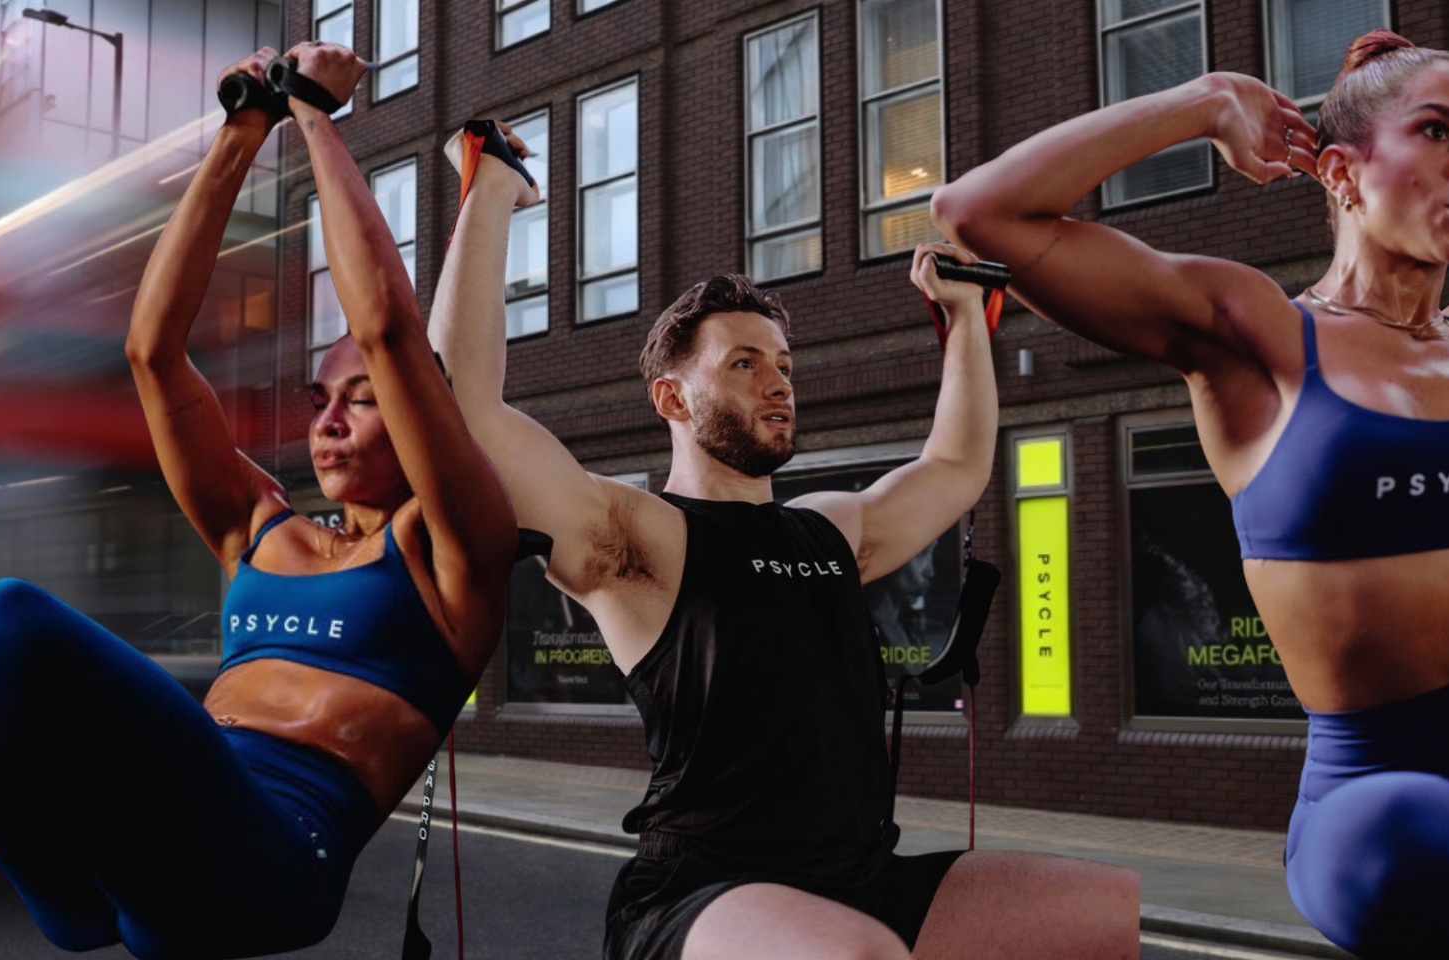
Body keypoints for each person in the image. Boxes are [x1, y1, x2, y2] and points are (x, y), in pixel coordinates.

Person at [0, 42, 517, 958]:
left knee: (16, 618)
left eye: (364, 400)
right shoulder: (261, 528)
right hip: (129, 861)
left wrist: (313, 112)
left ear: (421, 418)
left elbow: (386, 328)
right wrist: (242, 132)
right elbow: (152, 351)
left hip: (272, 867)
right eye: (319, 401)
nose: (329, 423)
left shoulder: (456, 548)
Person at [930, 28, 1449, 960]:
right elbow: (976, 212)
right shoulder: (1258, 335)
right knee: (1380, 861)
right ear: (1343, 172)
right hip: (1385, 780)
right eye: (1437, 131)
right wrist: (1200, 102)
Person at [428, 122, 1138, 959]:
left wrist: (967, 322)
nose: (778, 383)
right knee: (856, 956)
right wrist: (493, 186)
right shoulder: (634, 534)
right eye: (744, 364)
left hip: (864, 876)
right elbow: (461, 407)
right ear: (673, 399)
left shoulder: (829, 529)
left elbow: (954, 468)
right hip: (705, 894)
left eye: (785, 365)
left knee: (1109, 912)